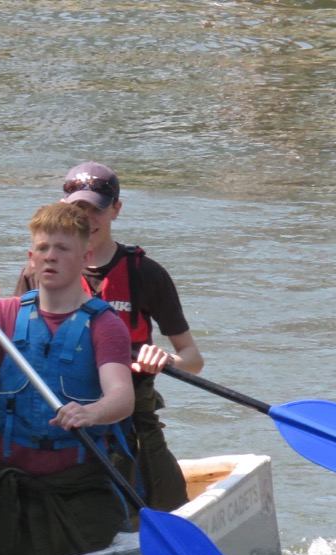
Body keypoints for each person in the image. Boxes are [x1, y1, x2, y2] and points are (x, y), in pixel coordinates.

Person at [0, 203, 135, 555]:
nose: (50, 257)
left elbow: (122, 397)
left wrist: (91, 412)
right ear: (31, 259)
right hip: (7, 483)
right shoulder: (3, 314)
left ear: (85, 257)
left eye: (62, 248)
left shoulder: (105, 324)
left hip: (76, 487)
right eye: (43, 248)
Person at [16, 161, 204, 511]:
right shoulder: (40, 271)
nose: (87, 219)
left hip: (132, 418)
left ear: (116, 210)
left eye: (97, 209)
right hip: (63, 415)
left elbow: (193, 360)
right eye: (78, 209)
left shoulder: (146, 273)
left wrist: (165, 359)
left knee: (170, 505)